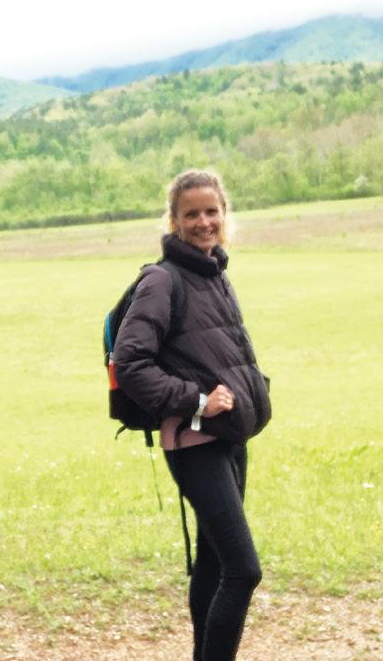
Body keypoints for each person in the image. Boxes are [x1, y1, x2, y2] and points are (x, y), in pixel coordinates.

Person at [112, 168, 271, 661]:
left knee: (214, 564)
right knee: (243, 570)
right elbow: (130, 362)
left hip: (229, 437)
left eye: (211, 211)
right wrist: (196, 401)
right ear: (174, 221)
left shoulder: (214, 271)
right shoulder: (162, 280)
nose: (204, 222)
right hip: (194, 442)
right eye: (191, 214)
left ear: (224, 214)